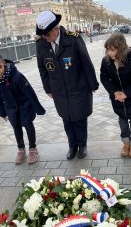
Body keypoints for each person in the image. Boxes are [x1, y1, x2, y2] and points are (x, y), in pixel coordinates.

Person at [35, 11, 99, 160]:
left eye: (47, 34)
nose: (45, 37)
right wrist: (47, 88)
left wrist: (93, 84)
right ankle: (72, 146)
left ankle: (82, 145)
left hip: (78, 86)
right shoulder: (41, 44)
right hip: (59, 90)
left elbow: (86, 63)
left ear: (56, 28)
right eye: (43, 34)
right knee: (67, 119)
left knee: (80, 118)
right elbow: (42, 68)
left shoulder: (73, 39)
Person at [0, 53, 45, 164]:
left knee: (27, 124)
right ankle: (21, 149)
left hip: (24, 105)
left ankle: (33, 148)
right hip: (10, 107)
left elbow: (30, 92)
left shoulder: (17, 76)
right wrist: (2, 113)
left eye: (0, 67)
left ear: (4, 64)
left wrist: (37, 107)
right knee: (16, 127)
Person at [100, 33, 131, 158]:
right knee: (122, 120)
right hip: (117, 99)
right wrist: (114, 92)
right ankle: (126, 144)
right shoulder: (106, 61)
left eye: (112, 50)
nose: (109, 53)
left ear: (120, 49)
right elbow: (104, 78)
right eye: (108, 50)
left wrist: (126, 93)